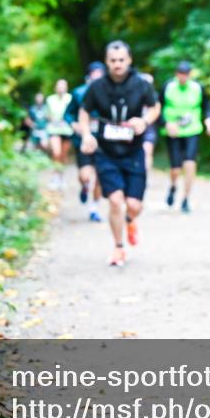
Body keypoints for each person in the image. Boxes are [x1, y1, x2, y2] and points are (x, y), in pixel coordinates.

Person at [79, 41, 161, 267]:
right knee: (115, 201)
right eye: (113, 60)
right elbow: (84, 111)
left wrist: (143, 121)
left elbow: (155, 107)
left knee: (133, 205)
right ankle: (118, 247)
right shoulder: (97, 87)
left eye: (121, 60)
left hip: (133, 152)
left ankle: (131, 219)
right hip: (107, 153)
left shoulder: (141, 84)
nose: (117, 64)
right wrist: (86, 135)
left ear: (129, 60)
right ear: (107, 62)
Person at [161, 60, 210, 214]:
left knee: (190, 163)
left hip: (192, 130)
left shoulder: (197, 87)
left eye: (186, 74)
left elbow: (207, 105)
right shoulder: (168, 87)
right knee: (175, 168)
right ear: (176, 74)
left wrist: (209, 120)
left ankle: (185, 198)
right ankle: (173, 186)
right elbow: (156, 107)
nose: (183, 77)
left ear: (189, 74)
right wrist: (165, 124)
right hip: (173, 131)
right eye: (180, 74)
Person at [67, 62, 106, 222]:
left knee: (100, 177)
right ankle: (84, 186)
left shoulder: (109, 93)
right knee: (85, 175)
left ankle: (94, 208)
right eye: (94, 74)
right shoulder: (78, 93)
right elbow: (68, 114)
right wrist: (74, 124)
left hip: (103, 140)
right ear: (89, 76)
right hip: (83, 140)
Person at [44, 79, 74, 187]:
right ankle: (55, 177)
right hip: (54, 129)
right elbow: (46, 114)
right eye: (59, 86)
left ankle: (61, 177)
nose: (61, 88)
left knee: (63, 155)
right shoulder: (50, 99)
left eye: (63, 86)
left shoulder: (71, 98)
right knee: (56, 153)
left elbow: (74, 113)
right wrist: (52, 119)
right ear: (56, 88)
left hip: (67, 130)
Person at [138, 72, 158, 188]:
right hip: (133, 129)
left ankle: (145, 176)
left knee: (147, 152)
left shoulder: (154, 96)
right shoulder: (133, 94)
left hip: (148, 128)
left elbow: (157, 111)